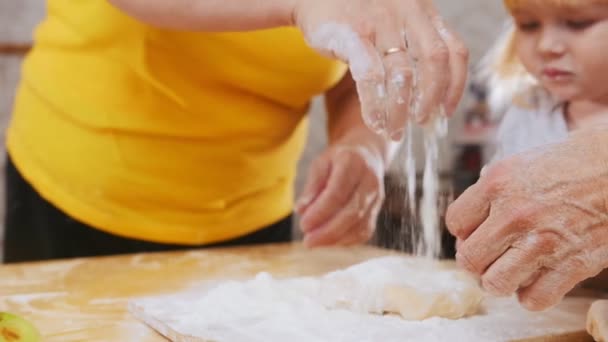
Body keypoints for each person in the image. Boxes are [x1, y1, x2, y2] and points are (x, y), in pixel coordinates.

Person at [3, 0, 469, 262]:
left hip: (251, 214)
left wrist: (362, 144)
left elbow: (360, 61)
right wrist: (299, 5)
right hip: (80, 197)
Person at [447, 0, 608, 312]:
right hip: (549, 312)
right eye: (529, 25)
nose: (547, 46)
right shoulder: (527, 111)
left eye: (579, 24)